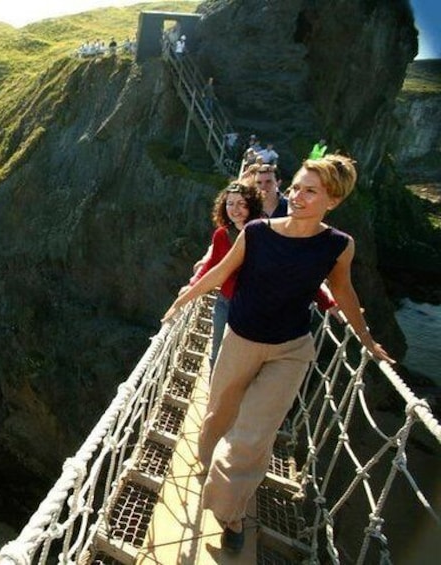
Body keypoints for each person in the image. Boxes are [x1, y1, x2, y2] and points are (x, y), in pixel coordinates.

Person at [162, 155, 393, 554]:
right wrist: (183, 301)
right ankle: (209, 467)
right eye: (295, 188)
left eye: (310, 191)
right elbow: (219, 272)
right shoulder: (256, 232)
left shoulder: (338, 245)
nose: (297, 197)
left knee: (254, 432)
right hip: (240, 339)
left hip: (291, 349)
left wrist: (367, 339)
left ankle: (229, 513)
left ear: (332, 201)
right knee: (219, 413)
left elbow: (344, 293)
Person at [189, 182, 263, 369]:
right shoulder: (221, 234)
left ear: (252, 205)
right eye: (230, 203)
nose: (235, 209)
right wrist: (192, 286)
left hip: (252, 307)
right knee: (216, 353)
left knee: (243, 358)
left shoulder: (264, 233)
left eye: (241, 204)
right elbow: (212, 264)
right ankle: (215, 396)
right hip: (225, 302)